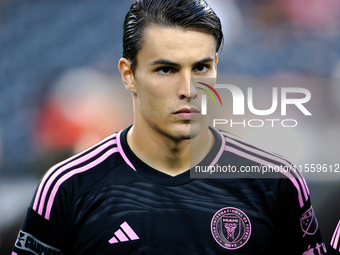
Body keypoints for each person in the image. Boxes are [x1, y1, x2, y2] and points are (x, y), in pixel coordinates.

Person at [12, 0, 326, 254]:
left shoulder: (276, 182)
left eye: (201, 67)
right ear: (128, 75)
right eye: (166, 69)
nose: (187, 88)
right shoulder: (67, 185)